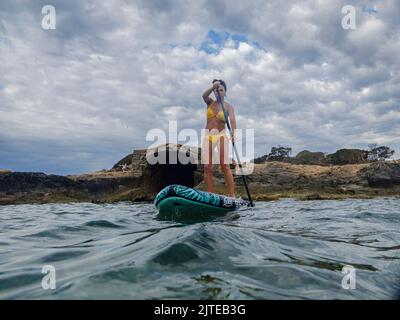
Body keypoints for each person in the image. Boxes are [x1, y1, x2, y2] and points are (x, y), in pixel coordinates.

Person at [201, 79, 236, 197]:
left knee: (224, 165)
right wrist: (212, 87)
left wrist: (234, 134)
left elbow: (232, 121)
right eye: (217, 90)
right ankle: (210, 195)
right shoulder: (209, 102)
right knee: (207, 167)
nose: (218, 92)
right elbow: (203, 95)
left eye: (221, 90)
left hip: (221, 135)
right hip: (208, 136)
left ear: (225, 92)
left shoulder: (228, 107)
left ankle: (232, 195)